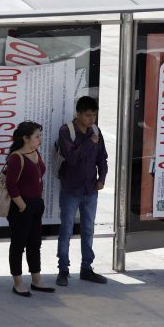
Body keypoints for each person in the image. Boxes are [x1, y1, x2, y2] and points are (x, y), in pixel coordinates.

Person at [55, 96, 109, 287]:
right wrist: (89, 143)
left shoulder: (96, 131)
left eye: (94, 115)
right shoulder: (66, 131)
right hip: (71, 188)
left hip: (90, 189)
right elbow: (72, 158)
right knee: (66, 229)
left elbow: (102, 158)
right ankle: (63, 268)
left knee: (88, 229)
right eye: (88, 116)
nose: (91, 120)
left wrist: (102, 178)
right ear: (78, 114)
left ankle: (86, 267)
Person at [6, 121, 55, 297]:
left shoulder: (35, 152)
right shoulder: (16, 157)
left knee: (35, 243)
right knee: (18, 244)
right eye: (37, 136)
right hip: (21, 206)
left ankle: (36, 279)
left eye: (39, 136)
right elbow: (11, 184)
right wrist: (22, 205)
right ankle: (18, 283)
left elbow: (38, 175)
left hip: (35, 204)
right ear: (26, 138)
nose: (40, 139)